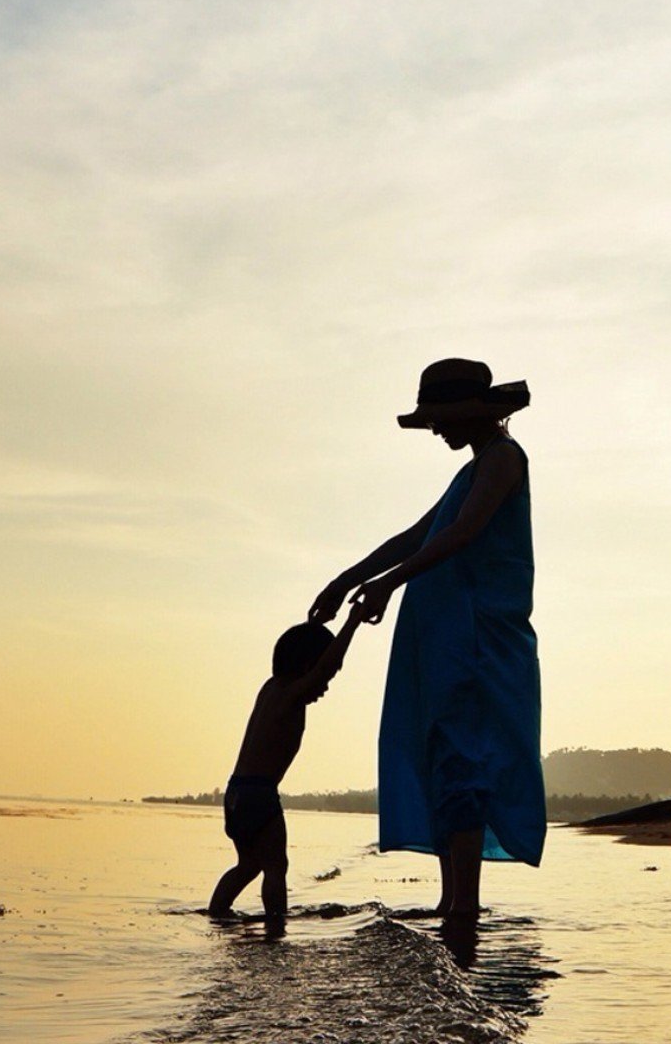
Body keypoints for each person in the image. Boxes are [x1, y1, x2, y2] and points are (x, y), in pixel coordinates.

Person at [311, 358, 544, 924]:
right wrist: (348, 580)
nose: (436, 430)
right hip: (443, 636)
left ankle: (463, 905)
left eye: (439, 418)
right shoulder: (472, 469)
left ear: (466, 412)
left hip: (479, 639)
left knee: (466, 762)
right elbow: (420, 534)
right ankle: (452, 900)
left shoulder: (504, 460)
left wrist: (387, 583)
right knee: (444, 757)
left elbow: (463, 534)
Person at [207, 612, 366, 920]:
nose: (325, 687)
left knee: (249, 865)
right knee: (277, 866)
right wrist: (353, 622)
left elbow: (306, 650)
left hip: (236, 793)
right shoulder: (290, 696)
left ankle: (217, 912)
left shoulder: (270, 689)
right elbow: (326, 666)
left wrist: (314, 625)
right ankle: (276, 925)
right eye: (325, 680)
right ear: (307, 668)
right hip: (260, 795)